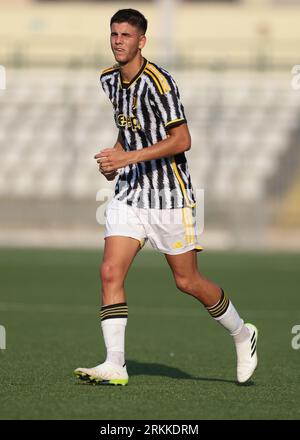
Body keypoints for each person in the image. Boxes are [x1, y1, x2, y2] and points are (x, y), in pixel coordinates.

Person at [74, 9, 258, 386]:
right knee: (110, 270)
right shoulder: (108, 80)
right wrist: (114, 159)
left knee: (187, 281)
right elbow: (130, 130)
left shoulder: (160, 83)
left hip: (170, 196)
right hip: (130, 193)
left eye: (126, 35)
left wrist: (127, 157)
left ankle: (242, 333)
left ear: (142, 40)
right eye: (114, 34)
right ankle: (115, 364)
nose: (118, 41)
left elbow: (182, 140)